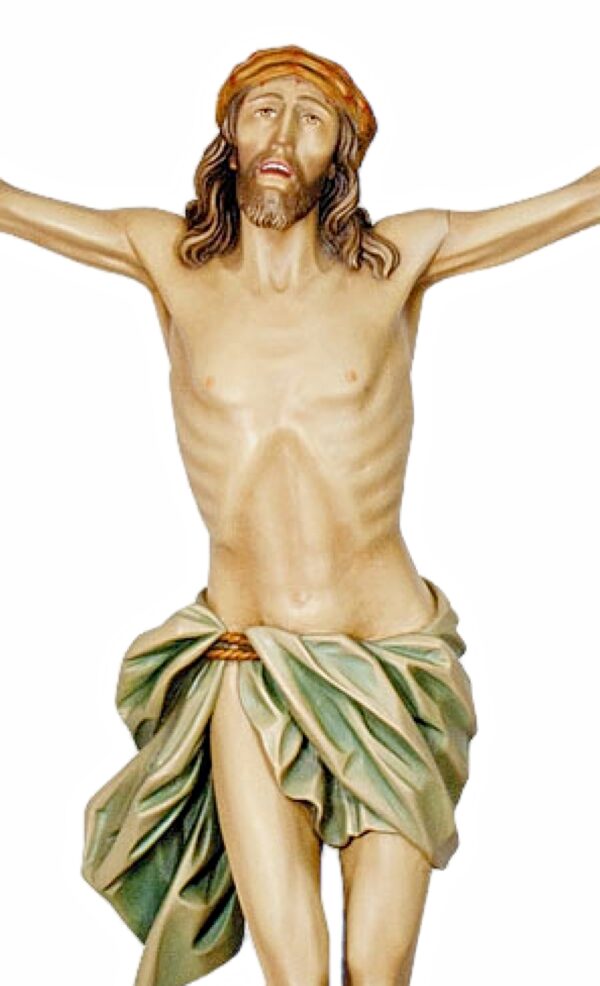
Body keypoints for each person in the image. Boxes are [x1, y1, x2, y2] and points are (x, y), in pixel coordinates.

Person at [0, 44, 598, 986]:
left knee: (377, 968)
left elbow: (577, 201)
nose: (283, 134)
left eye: (311, 118)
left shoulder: (398, 259)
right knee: (297, 972)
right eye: (263, 111)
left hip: (391, 662)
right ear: (230, 137)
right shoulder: (169, 260)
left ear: (341, 155)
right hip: (249, 658)